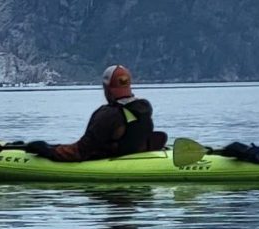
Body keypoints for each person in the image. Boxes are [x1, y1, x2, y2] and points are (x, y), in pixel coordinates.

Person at [29, 64, 168, 161]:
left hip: (110, 164)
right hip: (134, 157)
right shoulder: (143, 109)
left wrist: (48, 151)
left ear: (106, 88)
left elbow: (80, 151)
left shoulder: (108, 115)